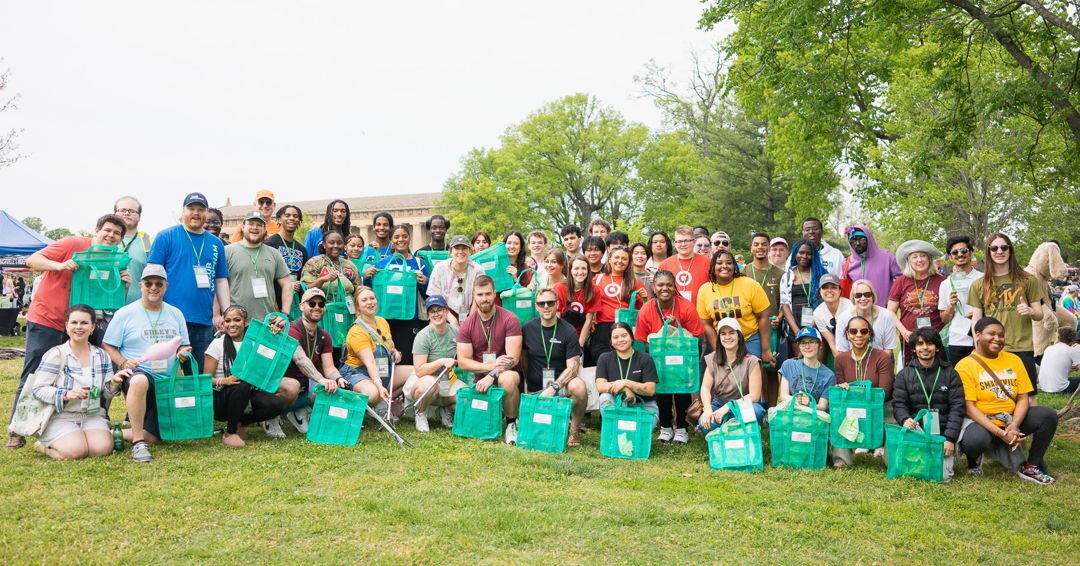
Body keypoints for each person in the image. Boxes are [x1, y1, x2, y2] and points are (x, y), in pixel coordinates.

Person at [7, 214, 128, 450]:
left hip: (81, 325)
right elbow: (34, 259)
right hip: (48, 319)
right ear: (97, 230)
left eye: (117, 234)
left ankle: (95, 420)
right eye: (108, 230)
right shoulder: (74, 244)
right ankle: (18, 429)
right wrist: (60, 265)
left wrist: (123, 282)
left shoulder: (111, 260)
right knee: (33, 373)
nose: (111, 236)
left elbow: (107, 296)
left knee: (94, 371)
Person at [204, 305, 338, 447]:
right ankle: (231, 433)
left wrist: (274, 334)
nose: (232, 324)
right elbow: (205, 379)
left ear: (245, 322)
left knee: (277, 404)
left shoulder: (256, 339)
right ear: (223, 323)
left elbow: (288, 356)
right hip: (224, 398)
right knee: (241, 385)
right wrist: (225, 380)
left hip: (251, 391)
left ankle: (242, 421)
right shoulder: (217, 345)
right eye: (228, 321)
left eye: (237, 320)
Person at [101, 264, 192, 462]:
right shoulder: (125, 313)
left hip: (167, 383)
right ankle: (137, 444)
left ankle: (109, 435)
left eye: (158, 283)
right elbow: (108, 344)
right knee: (140, 380)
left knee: (156, 435)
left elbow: (184, 345)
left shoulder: (175, 313)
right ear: (141, 285)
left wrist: (183, 353)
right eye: (148, 283)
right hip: (138, 376)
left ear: (165, 286)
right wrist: (123, 362)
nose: (153, 287)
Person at [956, 317, 1058, 484]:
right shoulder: (965, 365)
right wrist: (1001, 433)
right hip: (983, 420)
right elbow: (970, 408)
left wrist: (1014, 424)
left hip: (1011, 417)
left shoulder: (1014, 360)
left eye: (1001, 335)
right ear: (978, 334)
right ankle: (973, 461)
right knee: (974, 440)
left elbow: (1023, 397)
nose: (997, 338)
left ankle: (1032, 464)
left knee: (1048, 415)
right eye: (991, 334)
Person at [30, 305, 129, 460]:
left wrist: (115, 383)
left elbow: (106, 393)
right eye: (74, 322)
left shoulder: (101, 355)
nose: (78, 327)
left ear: (92, 327)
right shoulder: (56, 354)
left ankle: (83, 436)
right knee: (75, 451)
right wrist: (66, 394)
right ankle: (43, 447)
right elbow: (38, 390)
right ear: (67, 326)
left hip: (92, 414)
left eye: (84, 323)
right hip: (61, 415)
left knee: (102, 449)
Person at [147, 192, 230, 373]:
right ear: (183, 211)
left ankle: (197, 403)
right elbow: (152, 276)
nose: (196, 213)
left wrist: (228, 311)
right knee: (164, 372)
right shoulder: (166, 236)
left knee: (199, 373)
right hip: (168, 319)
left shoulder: (216, 244)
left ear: (206, 213)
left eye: (200, 209)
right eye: (191, 208)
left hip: (203, 320)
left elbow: (221, 280)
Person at [968, 233, 1046, 393]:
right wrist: (978, 344)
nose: (999, 251)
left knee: (1028, 396)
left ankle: (1030, 419)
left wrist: (1030, 311)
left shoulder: (1028, 280)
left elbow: (1040, 314)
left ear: (1010, 250)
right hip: (992, 347)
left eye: (1004, 247)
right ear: (989, 252)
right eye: (994, 248)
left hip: (1022, 347)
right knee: (996, 395)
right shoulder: (979, 285)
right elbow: (976, 318)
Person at [634, 269, 703, 443]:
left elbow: (696, 335)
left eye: (669, 285)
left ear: (674, 287)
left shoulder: (686, 306)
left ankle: (681, 428)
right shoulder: (646, 309)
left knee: (681, 390)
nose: (665, 288)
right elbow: (643, 339)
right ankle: (665, 426)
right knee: (662, 389)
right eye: (660, 285)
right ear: (653, 287)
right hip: (657, 357)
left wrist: (676, 328)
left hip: (682, 357)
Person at [891, 327, 966, 482]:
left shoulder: (951, 374)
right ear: (914, 348)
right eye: (920, 344)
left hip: (943, 433)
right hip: (916, 431)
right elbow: (899, 403)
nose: (925, 348)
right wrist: (904, 419)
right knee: (908, 472)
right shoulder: (904, 375)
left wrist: (950, 439)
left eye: (929, 344)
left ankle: (945, 453)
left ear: (937, 347)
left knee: (943, 477)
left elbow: (957, 408)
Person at [457, 275, 523, 444]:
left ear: (495, 294)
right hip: (480, 377)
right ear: (474, 295)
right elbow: (463, 361)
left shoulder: (510, 319)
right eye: (480, 295)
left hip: (505, 373)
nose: (484, 298)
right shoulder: (467, 324)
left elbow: (513, 359)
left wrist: (492, 374)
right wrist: (489, 367)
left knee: (507, 379)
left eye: (488, 294)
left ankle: (511, 423)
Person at [521, 287, 588, 446]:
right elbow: (523, 362)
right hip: (534, 387)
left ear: (557, 304)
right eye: (541, 303)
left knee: (579, 386)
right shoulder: (527, 328)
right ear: (536, 306)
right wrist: (526, 387)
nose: (546, 306)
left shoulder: (568, 330)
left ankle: (574, 430)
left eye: (550, 302)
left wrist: (554, 387)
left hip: (559, 387)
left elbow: (573, 366)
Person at [279, 288, 350, 433]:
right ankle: (271, 417)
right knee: (294, 387)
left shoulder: (324, 335)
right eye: (311, 303)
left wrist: (338, 378)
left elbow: (329, 368)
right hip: (281, 381)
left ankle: (297, 410)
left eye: (321, 304)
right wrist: (321, 379)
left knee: (327, 388)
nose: (317, 307)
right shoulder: (291, 330)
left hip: (305, 382)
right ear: (301, 306)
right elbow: (300, 360)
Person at [831, 315, 894, 467]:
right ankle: (841, 460)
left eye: (863, 331)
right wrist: (843, 388)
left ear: (870, 334)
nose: (858, 335)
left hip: (879, 407)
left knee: (894, 423)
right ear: (847, 335)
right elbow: (842, 389)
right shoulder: (840, 359)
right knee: (838, 416)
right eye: (853, 331)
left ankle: (890, 457)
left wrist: (853, 391)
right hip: (851, 407)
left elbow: (884, 392)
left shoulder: (882, 357)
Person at [340, 286, 412, 411]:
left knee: (415, 372)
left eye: (372, 298)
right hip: (358, 372)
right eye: (364, 300)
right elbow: (370, 363)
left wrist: (396, 353)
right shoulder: (357, 331)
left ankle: (382, 404)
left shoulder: (382, 321)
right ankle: (359, 405)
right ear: (357, 306)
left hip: (383, 370)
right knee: (372, 393)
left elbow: (390, 347)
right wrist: (379, 385)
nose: (370, 302)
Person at [698, 250, 775, 366]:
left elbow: (763, 316)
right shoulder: (705, 290)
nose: (724, 266)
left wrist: (765, 350)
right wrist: (717, 350)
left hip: (749, 339)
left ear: (734, 266)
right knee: (728, 379)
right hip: (723, 341)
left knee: (752, 377)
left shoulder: (749, 284)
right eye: (719, 263)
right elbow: (706, 324)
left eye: (729, 263)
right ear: (713, 267)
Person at [371, 225, 429, 364]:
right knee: (386, 360)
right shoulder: (383, 263)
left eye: (404, 236)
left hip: (410, 320)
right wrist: (368, 278)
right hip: (386, 319)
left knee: (408, 359)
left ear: (409, 238)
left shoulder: (419, 263)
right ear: (391, 239)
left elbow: (428, 293)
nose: (400, 239)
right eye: (396, 237)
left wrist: (424, 281)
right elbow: (374, 291)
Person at [405, 296, 463, 432]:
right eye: (432, 311)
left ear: (446, 311)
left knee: (465, 399)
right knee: (429, 385)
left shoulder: (455, 331)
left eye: (440, 310)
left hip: (447, 379)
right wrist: (441, 361)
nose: (437, 314)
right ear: (428, 315)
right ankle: (420, 413)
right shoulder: (423, 336)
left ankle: (444, 410)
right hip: (424, 379)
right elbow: (419, 370)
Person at [698, 318, 766, 431]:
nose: (727, 337)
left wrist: (729, 406)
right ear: (719, 338)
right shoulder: (713, 358)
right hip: (719, 404)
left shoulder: (752, 361)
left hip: (743, 404)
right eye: (723, 334)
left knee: (756, 412)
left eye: (731, 333)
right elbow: (705, 387)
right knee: (704, 423)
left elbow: (755, 396)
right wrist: (708, 409)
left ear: (739, 336)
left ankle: (732, 427)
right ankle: (733, 427)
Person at [225, 212, 292, 322]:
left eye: (259, 225)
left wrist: (284, 313)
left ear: (265, 230)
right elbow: (219, 285)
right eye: (250, 224)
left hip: (267, 322)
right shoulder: (227, 252)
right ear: (242, 227)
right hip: (236, 322)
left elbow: (287, 285)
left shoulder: (274, 254)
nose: (254, 228)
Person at [888, 240, 947, 363]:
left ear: (929, 259)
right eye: (914, 257)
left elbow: (948, 312)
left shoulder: (943, 281)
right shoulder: (900, 282)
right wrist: (904, 332)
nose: (919, 260)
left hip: (935, 339)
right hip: (910, 339)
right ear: (909, 261)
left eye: (923, 256)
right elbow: (890, 311)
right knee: (912, 377)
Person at [745, 232, 786, 404]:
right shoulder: (744, 271)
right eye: (756, 244)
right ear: (751, 248)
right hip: (751, 327)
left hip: (772, 327)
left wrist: (781, 316)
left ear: (768, 248)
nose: (760, 247)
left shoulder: (779, 273)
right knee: (753, 367)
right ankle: (756, 406)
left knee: (771, 368)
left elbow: (785, 301)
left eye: (763, 244)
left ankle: (771, 408)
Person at [595, 322, 659, 426]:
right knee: (605, 397)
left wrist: (627, 383)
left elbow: (650, 390)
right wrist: (625, 388)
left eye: (624, 336)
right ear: (611, 342)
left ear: (632, 337)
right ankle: (614, 431)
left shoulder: (645, 358)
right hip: (617, 402)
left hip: (643, 404)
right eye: (616, 337)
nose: (620, 340)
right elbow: (601, 385)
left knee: (637, 435)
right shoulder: (604, 358)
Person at [590, 247, 646, 363]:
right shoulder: (598, 279)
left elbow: (644, 308)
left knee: (625, 361)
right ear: (609, 259)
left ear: (629, 262)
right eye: (616, 257)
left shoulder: (634, 281)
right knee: (602, 360)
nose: (620, 261)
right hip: (603, 327)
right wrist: (590, 320)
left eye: (624, 259)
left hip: (626, 327)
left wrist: (645, 297)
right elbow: (589, 301)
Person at [938, 235, 982, 364]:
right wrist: (951, 306)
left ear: (971, 253)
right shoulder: (946, 284)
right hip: (957, 340)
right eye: (955, 252)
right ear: (950, 257)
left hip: (980, 338)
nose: (960, 255)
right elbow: (944, 319)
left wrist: (979, 314)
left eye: (964, 251)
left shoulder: (983, 279)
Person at [300, 231, 361, 316]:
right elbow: (305, 290)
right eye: (331, 243)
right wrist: (322, 280)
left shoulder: (350, 266)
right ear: (324, 245)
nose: (335, 246)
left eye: (339, 243)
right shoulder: (314, 263)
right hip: (322, 313)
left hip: (347, 312)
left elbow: (358, 291)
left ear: (343, 245)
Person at [780, 239, 826, 347]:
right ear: (795, 253)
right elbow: (785, 306)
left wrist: (813, 327)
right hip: (794, 322)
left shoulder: (820, 274)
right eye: (801, 252)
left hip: (817, 322)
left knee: (817, 361)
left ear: (813, 255)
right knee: (800, 361)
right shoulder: (787, 276)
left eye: (808, 253)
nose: (804, 256)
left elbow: (826, 301)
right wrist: (796, 331)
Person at [840, 225, 900, 307]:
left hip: (883, 312)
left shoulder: (888, 258)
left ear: (869, 239)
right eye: (853, 240)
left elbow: (902, 281)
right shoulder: (847, 263)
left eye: (861, 239)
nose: (857, 243)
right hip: (858, 314)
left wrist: (892, 300)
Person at [427, 235, 483, 324]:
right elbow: (435, 297)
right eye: (457, 248)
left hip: (472, 313)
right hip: (443, 313)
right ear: (450, 252)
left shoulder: (477, 270)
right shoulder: (439, 268)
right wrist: (452, 319)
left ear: (470, 252)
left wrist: (470, 318)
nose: (460, 252)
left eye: (464, 248)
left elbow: (479, 295)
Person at [835, 279, 897, 358]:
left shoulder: (886, 316)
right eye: (858, 295)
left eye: (867, 294)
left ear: (873, 296)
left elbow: (888, 349)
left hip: (881, 362)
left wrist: (875, 367)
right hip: (852, 363)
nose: (863, 298)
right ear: (853, 298)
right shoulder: (843, 319)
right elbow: (842, 351)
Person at [264, 205, 309, 312]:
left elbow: (304, 276)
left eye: (295, 216)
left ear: (299, 221)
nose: (292, 218)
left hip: (295, 303)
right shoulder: (270, 244)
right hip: (273, 302)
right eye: (287, 215)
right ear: (279, 220)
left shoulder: (301, 249)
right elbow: (266, 275)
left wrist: (300, 285)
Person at [778, 327, 835, 411]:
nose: (807, 347)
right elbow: (783, 396)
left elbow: (823, 406)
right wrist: (797, 400)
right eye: (803, 343)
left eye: (811, 342)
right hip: (790, 414)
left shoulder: (828, 375)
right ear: (799, 346)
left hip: (813, 418)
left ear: (820, 345)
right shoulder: (788, 365)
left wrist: (810, 404)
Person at [555, 256, 599, 353]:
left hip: (581, 335)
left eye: (584, 268)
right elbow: (557, 317)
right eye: (576, 268)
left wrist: (579, 346)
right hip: (562, 334)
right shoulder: (560, 288)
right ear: (570, 270)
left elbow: (588, 321)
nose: (580, 272)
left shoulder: (594, 290)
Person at [114, 196, 153, 304]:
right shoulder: (104, 239)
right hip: (106, 309)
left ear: (139, 216)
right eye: (122, 210)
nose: (126, 213)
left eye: (131, 211)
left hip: (140, 308)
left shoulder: (149, 241)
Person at [658, 226, 711, 305]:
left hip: (701, 312)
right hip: (673, 312)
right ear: (675, 244)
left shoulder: (708, 263)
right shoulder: (664, 265)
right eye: (679, 241)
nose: (683, 244)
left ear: (694, 242)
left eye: (686, 241)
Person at [813, 273, 853, 362]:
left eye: (833, 287)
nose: (829, 290)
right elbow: (831, 342)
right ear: (819, 291)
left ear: (840, 291)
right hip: (836, 346)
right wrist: (842, 362)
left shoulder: (850, 307)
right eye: (825, 287)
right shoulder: (818, 313)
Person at [1037, 326, 1080, 393]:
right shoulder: (1072, 350)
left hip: (1043, 386)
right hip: (1059, 388)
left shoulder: (1049, 348)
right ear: (1073, 339)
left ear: (1058, 337)